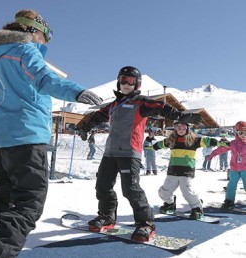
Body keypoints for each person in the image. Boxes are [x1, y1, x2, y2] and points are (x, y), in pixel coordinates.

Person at [0, 10, 102, 258]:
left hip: (3, 142)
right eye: (45, 36)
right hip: (28, 139)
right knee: (29, 205)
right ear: (33, 31)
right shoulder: (25, 51)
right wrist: (76, 92)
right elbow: (43, 78)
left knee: (3, 197)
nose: (45, 42)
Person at [77, 65, 201, 242]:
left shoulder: (140, 102)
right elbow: (97, 116)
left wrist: (180, 116)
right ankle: (107, 216)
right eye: (123, 80)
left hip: (129, 153)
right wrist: (85, 126)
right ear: (118, 82)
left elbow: (161, 107)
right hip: (110, 153)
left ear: (137, 84)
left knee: (131, 190)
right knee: (102, 186)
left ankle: (145, 223)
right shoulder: (113, 105)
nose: (126, 84)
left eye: (130, 81)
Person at [150, 120, 225, 220]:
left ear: (188, 128)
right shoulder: (171, 140)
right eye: (178, 127)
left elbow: (206, 140)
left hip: (186, 171)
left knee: (187, 192)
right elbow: (161, 144)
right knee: (164, 192)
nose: (180, 130)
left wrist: (219, 142)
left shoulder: (193, 139)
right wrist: (151, 147)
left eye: (183, 128)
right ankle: (170, 203)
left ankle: (197, 208)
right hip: (173, 170)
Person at [208, 121, 246, 209]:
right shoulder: (232, 143)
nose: (243, 135)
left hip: (245, 169)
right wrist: (212, 154)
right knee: (231, 185)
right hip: (234, 169)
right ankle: (229, 201)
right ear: (236, 133)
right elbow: (221, 149)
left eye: (245, 133)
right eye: (241, 133)